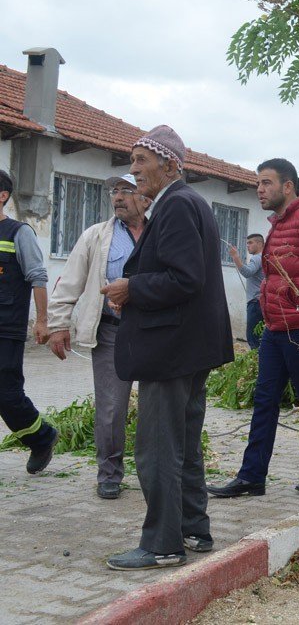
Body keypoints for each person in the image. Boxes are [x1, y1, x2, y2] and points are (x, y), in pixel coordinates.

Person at [100, 125, 234, 571]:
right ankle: (194, 530)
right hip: (191, 347)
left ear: (170, 164)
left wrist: (129, 287)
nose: (133, 170)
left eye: (141, 160)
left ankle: (162, 544)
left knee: (157, 447)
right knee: (184, 443)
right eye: (132, 160)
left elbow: (184, 278)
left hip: (172, 349)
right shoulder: (187, 203)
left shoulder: (175, 205)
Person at [207, 158, 299, 499]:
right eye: (258, 183)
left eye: (266, 183)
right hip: (275, 330)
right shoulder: (277, 225)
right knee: (264, 402)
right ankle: (252, 476)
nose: (259, 189)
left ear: (287, 186)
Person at [47, 174, 149, 500]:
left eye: (126, 191)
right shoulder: (96, 236)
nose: (118, 197)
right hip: (111, 332)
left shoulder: (161, 233)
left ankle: (156, 472)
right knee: (110, 408)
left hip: (155, 335)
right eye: (114, 191)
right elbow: (70, 282)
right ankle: (109, 473)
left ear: (145, 197)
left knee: (158, 407)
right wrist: (58, 324)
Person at [0, 169, 58, 474]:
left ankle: (42, 437)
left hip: (6, 328)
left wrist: (42, 321)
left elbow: (37, 277)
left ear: (3, 196)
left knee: (7, 395)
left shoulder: (18, 233)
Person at [228, 234, 264, 349]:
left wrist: (235, 257)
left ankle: (256, 365)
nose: (247, 246)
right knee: (261, 338)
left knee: (253, 339)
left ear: (259, 244)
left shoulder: (257, 258)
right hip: (262, 303)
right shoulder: (265, 257)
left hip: (255, 303)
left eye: (250, 243)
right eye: (247, 243)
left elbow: (247, 272)